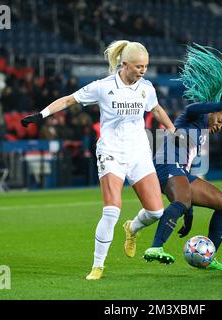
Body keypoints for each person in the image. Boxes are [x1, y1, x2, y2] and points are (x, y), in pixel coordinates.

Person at [21, 40, 176, 280]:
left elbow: (155, 110)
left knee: (156, 212)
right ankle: (98, 266)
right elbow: (69, 100)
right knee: (112, 210)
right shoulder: (103, 87)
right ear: (124, 65)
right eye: (138, 66)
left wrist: (172, 129)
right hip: (111, 152)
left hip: (139, 153)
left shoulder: (146, 88)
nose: (143, 71)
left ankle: (132, 228)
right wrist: (41, 114)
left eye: (145, 66)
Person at [141, 44, 222, 270]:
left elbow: (184, 182)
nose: (220, 126)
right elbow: (196, 108)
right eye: (220, 120)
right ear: (213, 111)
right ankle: (155, 247)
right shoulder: (192, 116)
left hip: (180, 172)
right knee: (181, 200)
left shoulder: (201, 134)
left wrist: (188, 216)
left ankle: (210, 257)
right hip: (166, 164)